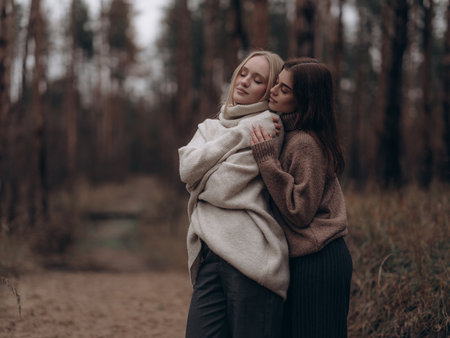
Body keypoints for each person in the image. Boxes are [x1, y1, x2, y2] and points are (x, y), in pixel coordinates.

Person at [178, 51, 289, 338]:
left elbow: (221, 188)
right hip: (209, 256)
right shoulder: (211, 127)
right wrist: (241, 134)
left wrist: (202, 176)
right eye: (243, 73)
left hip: (251, 260)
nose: (244, 82)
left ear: (269, 89)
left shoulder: (270, 128)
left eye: (258, 80)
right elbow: (186, 168)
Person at [250, 57, 353, 338]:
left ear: (305, 100)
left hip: (319, 261)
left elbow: (300, 211)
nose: (273, 91)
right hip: (305, 260)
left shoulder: (305, 143)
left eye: (284, 90)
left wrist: (267, 161)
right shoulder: (292, 135)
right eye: (277, 84)